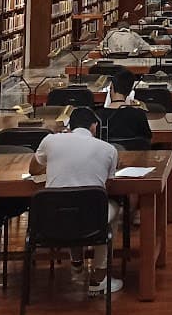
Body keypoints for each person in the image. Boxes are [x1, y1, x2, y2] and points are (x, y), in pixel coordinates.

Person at [34, 107, 122, 295]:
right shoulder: (109, 150)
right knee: (110, 209)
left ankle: (76, 261)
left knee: (72, 203)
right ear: (94, 127)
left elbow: (33, 168)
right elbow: (110, 184)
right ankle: (99, 278)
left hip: (53, 217)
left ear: (69, 126)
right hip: (91, 218)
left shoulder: (50, 140)